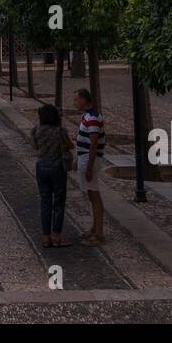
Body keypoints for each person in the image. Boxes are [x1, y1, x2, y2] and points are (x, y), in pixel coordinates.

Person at [32, 103, 72, 248]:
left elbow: (35, 146)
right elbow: (69, 145)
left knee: (45, 202)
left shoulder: (36, 129)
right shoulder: (59, 130)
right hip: (57, 168)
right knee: (59, 202)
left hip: (41, 167)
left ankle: (45, 237)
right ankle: (56, 236)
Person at [73, 88, 106, 245]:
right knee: (92, 195)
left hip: (89, 159)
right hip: (85, 157)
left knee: (94, 195)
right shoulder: (88, 116)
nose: (75, 102)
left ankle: (99, 234)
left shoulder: (92, 118)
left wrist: (88, 167)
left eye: (76, 99)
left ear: (84, 100)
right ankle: (94, 228)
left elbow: (93, 144)